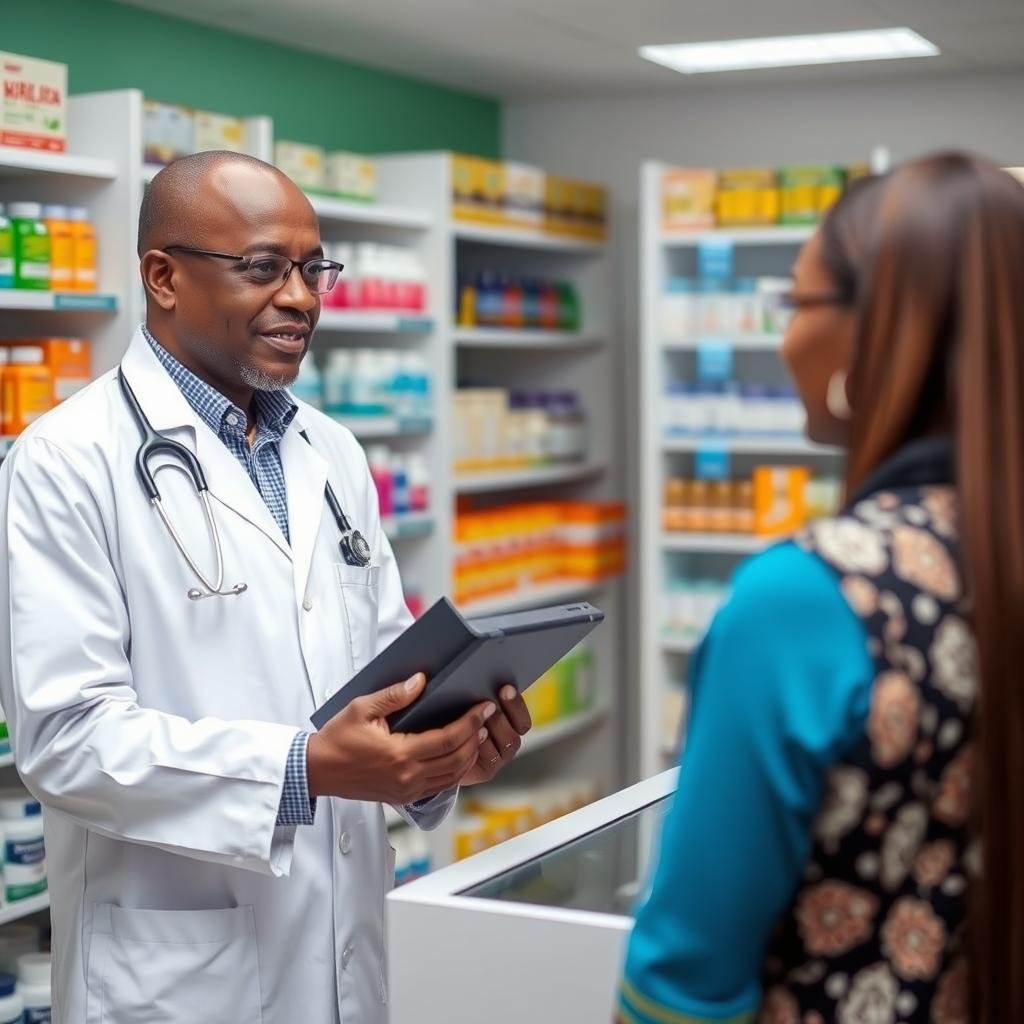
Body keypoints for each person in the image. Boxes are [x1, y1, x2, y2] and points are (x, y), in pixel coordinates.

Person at [0, 151, 532, 1024]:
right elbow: (66, 741)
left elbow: (380, 675)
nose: (301, 296)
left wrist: (437, 756)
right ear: (162, 278)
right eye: (262, 268)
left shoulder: (333, 453)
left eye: (313, 267)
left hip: (344, 954)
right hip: (177, 977)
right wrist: (304, 767)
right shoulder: (66, 461)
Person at [618, 153, 1024, 1024]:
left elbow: (685, 976)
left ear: (878, 330)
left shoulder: (808, 596)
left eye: (798, 304)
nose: (784, 338)